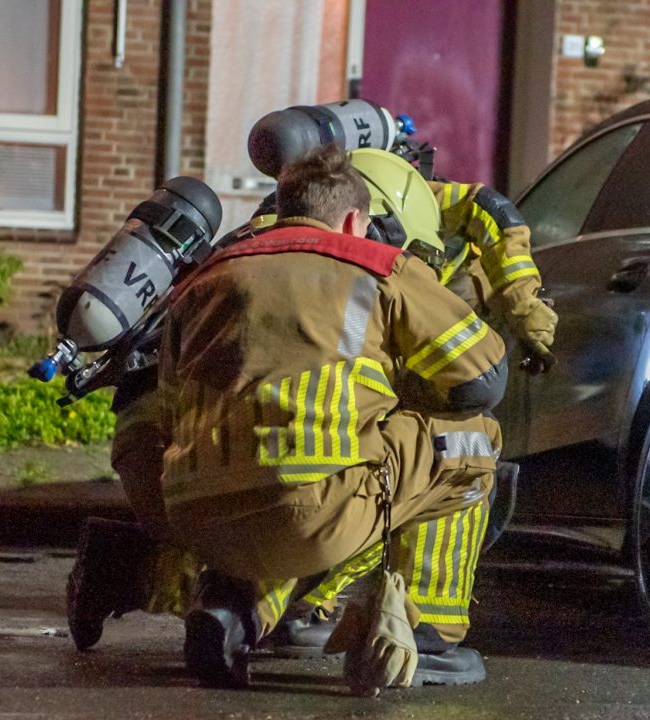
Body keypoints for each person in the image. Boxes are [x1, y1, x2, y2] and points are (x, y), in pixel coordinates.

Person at [159, 143, 507, 689]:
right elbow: (482, 377)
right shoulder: (375, 265)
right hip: (313, 511)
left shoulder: (203, 279)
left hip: (196, 518)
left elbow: (168, 402)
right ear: (352, 219)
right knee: (472, 442)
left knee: (313, 484)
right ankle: (433, 633)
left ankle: (236, 608)